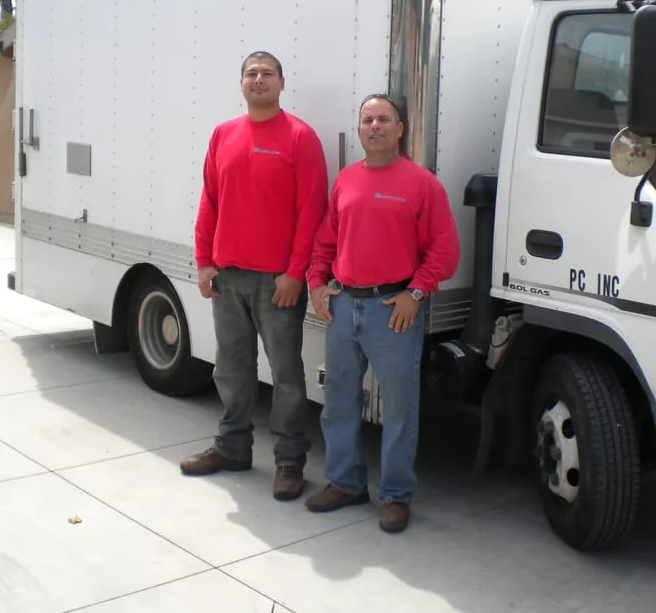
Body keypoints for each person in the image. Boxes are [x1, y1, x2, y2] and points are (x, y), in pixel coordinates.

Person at [303, 93, 460, 533]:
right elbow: (326, 241)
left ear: (399, 129)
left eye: (384, 119)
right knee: (338, 402)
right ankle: (345, 482)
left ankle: (394, 495)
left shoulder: (422, 184)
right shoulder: (347, 181)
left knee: (399, 409)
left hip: (393, 312)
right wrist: (317, 282)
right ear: (359, 130)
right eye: (368, 119)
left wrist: (416, 292)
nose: (375, 126)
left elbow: (444, 249)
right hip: (343, 306)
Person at [182, 50, 328, 502]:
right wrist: (204, 260)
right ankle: (232, 448)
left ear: (282, 83)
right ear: (240, 84)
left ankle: (289, 462)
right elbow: (210, 199)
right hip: (228, 276)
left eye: (267, 73)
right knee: (231, 367)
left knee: (285, 375)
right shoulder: (223, 134)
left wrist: (294, 273)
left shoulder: (301, 137)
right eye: (251, 73)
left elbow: (312, 212)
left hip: (276, 282)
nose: (259, 79)